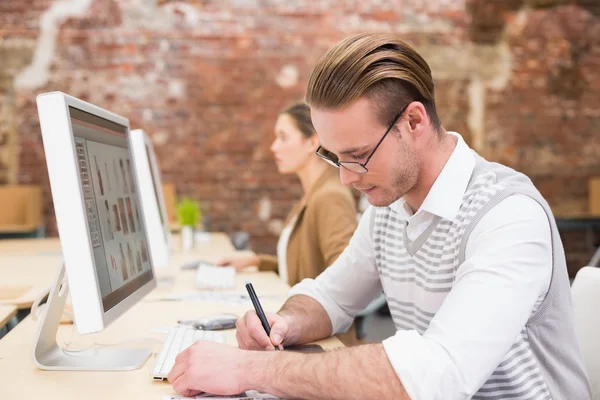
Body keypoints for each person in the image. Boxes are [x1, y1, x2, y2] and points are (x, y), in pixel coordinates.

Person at [168, 33, 591, 399]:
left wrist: (248, 370)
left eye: (358, 157)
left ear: (413, 121)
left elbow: (435, 376)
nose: (348, 179)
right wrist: (285, 322)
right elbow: (332, 295)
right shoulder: (390, 207)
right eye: (335, 159)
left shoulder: (507, 217)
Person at [216, 103, 357, 287]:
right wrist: (256, 262)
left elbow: (345, 277)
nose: (274, 147)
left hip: (312, 315)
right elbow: (305, 269)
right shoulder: (313, 194)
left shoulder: (330, 197)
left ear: (312, 143)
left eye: (283, 138)